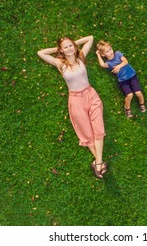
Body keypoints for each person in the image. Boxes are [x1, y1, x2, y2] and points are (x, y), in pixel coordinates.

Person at [37, 35, 108, 178]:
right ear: (61, 50)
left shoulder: (81, 56)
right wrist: (57, 48)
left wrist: (74, 44)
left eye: (70, 46)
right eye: (65, 47)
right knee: (87, 134)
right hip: (76, 101)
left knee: (99, 130)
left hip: (91, 96)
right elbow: (41, 53)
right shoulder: (60, 64)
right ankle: (99, 162)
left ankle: (98, 163)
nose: (69, 49)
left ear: (74, 47)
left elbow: (90, 38)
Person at [95, 40, 146, 118]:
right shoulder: (109, 63)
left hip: (132, 76)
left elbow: (126, 61)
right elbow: (102, 65)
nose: (110, 52)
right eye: (107, 52)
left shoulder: (118, 54)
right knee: (129, 95)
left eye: (110, 49)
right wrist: (98, 55)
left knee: (138, 92)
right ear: (103, 54)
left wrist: (119, 66)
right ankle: (127, 108)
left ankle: (142, 104)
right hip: (123, 81)